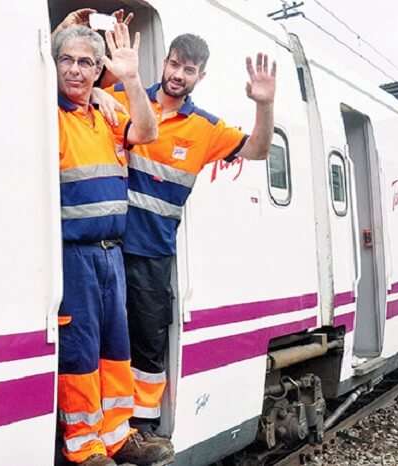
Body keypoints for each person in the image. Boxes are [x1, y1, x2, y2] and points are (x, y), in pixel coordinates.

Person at [109, 34, 277, 439]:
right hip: (107, 243)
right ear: (164, 63)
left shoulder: (205, 128)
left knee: (147, 344)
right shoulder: (119, 95)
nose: (178, 75)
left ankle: (144, 426)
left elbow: (257, 150)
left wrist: (264, 104)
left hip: (152, 252)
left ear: (200, 76)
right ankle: (106, 429)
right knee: (106, 339)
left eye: (188, 70)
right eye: (174, 64)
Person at [53, 21, 171, 466]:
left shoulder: (106, 112)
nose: (77, 71)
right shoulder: (51, 115)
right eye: (67, 60)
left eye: (86, 62)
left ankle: (117, 438)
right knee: (81, 352)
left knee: (115, 350)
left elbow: (148, 131)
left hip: (111, 254)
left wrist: (130, 79)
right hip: (74, 255)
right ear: (55, 64)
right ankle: (84, 447)